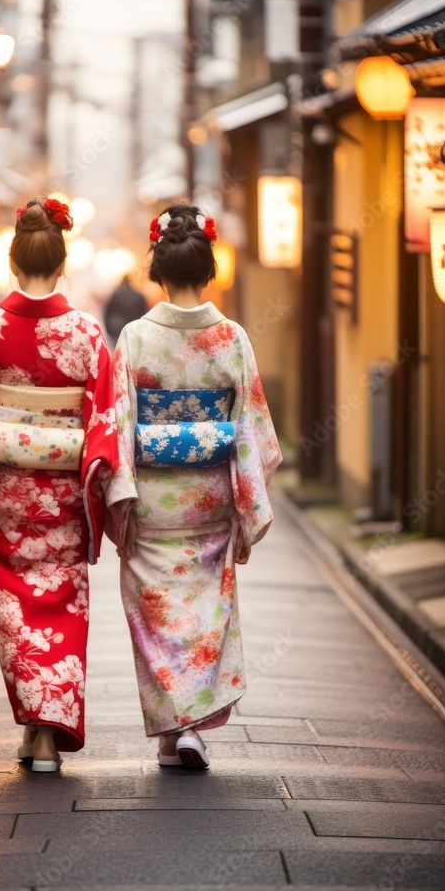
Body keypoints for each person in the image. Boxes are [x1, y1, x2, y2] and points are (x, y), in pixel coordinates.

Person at [0, 198, 118, 772]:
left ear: (13, 264)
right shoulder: (87, 333)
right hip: (64, 497)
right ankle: (47, 733)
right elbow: (104, 419)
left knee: (15, 613)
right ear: (62, 264)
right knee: (63, 607)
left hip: (7, 499)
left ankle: (34, 732)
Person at [106, 204, 281, 770]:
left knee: (157, 617)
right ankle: (186, 733)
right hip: (209, 501)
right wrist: (246, 500)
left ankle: (175, 730)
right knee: (203, 613)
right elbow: (253, 428)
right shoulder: (230, 338)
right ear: (208, 268)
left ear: (157, 267)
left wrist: (121, 495)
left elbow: (119, 422)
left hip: (154, 504)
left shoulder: (134, 338)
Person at [103, 274, 149, 345]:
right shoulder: (139, 296)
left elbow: (107, 314)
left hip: (117, 331)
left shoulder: (116, 295)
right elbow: (145, 314)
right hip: (134, 331)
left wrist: (110, 331)